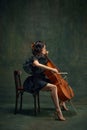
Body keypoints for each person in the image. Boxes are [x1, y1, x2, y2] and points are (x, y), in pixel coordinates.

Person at [23, 41, 68, 121]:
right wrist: (52, 69)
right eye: (44, 48)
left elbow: (46, 65)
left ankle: (62, 102)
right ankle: (58, 111)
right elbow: (37, 64)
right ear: (40, 50)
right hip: (35, 81)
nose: (45, 49)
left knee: (56, 84)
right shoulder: (34, 58)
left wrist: (46, 56)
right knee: (54, 87)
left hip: (42, 79)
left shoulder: (42, 58)